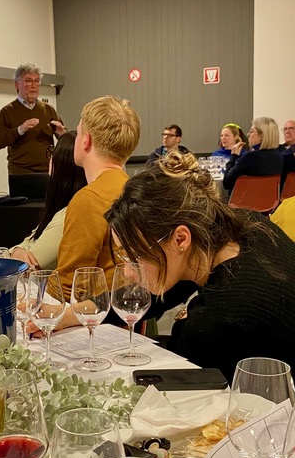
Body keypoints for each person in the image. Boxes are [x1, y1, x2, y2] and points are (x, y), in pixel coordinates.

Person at [104, 151, 295, 381]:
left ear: (180, 239)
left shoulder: (215, 322)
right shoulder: (246, 225)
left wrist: (184, 322)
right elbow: (169, 287)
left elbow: (179, 377)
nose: (128, 271)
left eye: (135, 257)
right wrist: (86, 310)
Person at [54, 95, 141, 301]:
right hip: (128, 306)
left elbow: (69, 286)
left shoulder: (89, 200)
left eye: (78, 132)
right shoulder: (134, 189)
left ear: (86, 140)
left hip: (98, 313)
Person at [0, 131, 86, 269]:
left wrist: (15, 253)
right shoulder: (61, 210)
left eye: (53, 153)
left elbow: (32, 263)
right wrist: (17, 251)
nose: (49, 159)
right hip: (22, 269)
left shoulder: (66, 215)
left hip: (29, 277)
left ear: (61, 163)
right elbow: (29, 241)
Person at [0, 63, 66, 175]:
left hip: (47, 171)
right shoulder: (8, 111)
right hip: (20, 173)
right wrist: (19, 130)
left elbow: (66, 140)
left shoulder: (48, 109)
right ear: (17, 84)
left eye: (37, 81)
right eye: (28, 81)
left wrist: (61, 134)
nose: (33, 85)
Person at [223, 117, 283, 193]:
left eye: (251, 131)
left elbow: (227, 183)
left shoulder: (250, 158)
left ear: (261, 136)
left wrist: (234, 156)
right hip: (270, 199)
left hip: (243, 199)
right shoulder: (279, 156)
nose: (248, 134)